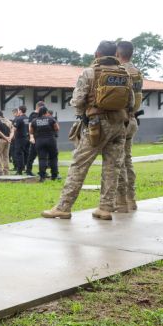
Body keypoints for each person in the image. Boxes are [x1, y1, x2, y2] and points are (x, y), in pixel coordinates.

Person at [43, 40, 134, 220]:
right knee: (112, 167)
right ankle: (106, 208)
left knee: (79, 164)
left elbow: (77, 101)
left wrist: (83, 115)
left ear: (97, 54)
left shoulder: (90, 72)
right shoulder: (125, 73)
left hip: (96, 126)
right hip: (119, 126)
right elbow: (130, 103)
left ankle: (63, 207)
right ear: (115, 55)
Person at [115, 40, 143, 212]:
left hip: (120, 121)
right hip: (133, 119)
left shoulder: (120, 72)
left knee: (117, 162)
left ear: (118, 54)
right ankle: (131, 199)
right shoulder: (137, 72)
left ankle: (121, 202)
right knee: (128, 160)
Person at [29, 107, 60, 181]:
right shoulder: (51, 119)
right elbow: (57, 128)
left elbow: (31, 131)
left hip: (39, 141)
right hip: (50, 140)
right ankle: (54, 176)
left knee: (42, 159)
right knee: (53, 158)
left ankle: (42, 177)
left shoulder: (34, 120)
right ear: (46, 112)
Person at [25, 101, 45, 176]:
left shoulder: (42, 115)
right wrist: (31, 137)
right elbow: (30, 126)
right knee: (32, 155)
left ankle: (42, 171)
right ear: (39, 107)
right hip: (35, 137)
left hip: (41, 137)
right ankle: (28, 170)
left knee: (42, 155)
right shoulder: (33, 115)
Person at [0, 110, 12, 176]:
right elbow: (12, 131)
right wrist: (9, 138)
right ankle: (6, 172)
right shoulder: (8, 121)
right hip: (7, 141)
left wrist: (5, 138)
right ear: (1, 115)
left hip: (0, 140)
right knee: (6, 156)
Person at [12, 105, 30, 175]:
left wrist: (11, 137)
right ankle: (26, 168)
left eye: (18, 110)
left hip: (19, 139)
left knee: (19, 154)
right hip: (27, 138)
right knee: (26, 154)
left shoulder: (18, 119)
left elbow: (14, 129)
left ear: (20, 111)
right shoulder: (28, 118)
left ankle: (19, 170)